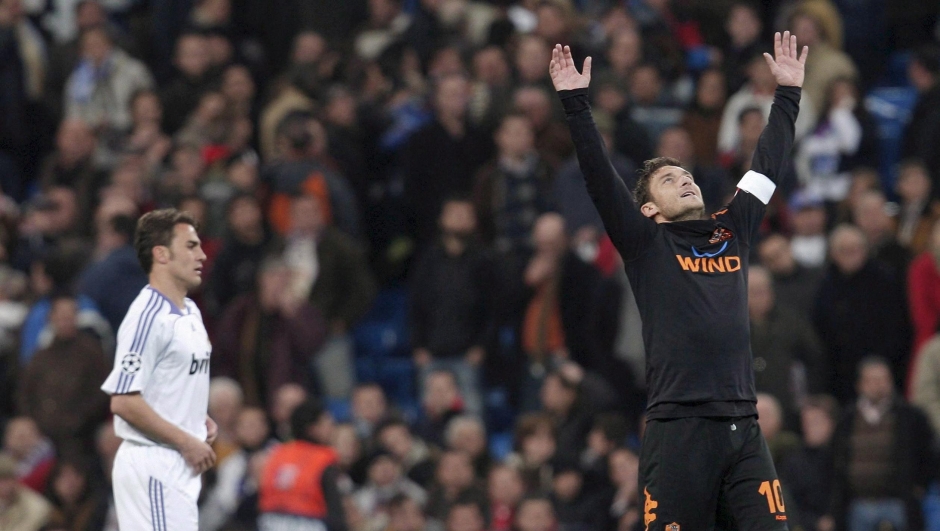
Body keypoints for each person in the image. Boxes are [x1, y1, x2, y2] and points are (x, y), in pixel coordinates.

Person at [548, 31, 807, 530]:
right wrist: (577, 106)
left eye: (685, 173)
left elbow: (767, 164)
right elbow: (600, 178)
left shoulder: (734, 227)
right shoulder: (646, 243)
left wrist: (789, 94)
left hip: (743, 426)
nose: (684, 178)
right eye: (669, 180)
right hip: (678, 428)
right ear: (649, 208)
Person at [100, 209, 218, 530]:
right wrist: (186, 439)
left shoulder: (190, 311)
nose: (203, 254)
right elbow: (123, 401)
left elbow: (170, 380)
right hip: (154, 462)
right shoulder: (147, 317)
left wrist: (194, 415)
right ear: (161, 254)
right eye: (191, 246)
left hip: (177, 464)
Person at [257, 399, 347, 531]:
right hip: (311, 523)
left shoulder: (277, 454)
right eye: (326, 422)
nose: (332, 426)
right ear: (312, 429)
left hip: (270, 523)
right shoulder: (323, 459)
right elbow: (335, 513)